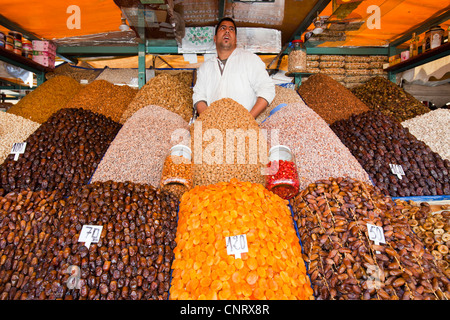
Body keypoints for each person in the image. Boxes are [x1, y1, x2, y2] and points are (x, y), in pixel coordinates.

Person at [193, 17, 276, 119]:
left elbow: (267, 89)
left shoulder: (250, 59)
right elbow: (199, 96)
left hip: (245, 130)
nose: (227, 31)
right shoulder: (205, 68)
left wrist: (247, 120)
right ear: (215, 38)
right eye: (223, 28)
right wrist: (209, 121)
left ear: (236, 39)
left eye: (231, 29)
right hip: (214, 131)